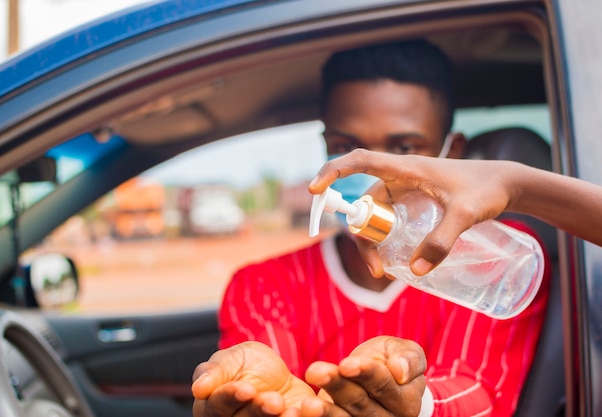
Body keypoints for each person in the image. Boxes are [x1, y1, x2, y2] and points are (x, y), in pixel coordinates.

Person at [192, 39, 551, 417]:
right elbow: (267, 385)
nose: (366, 169)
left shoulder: (493, 259)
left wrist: (419, 405)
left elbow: (479, 389)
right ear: (326, 146)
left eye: (403, 149)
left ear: (452, 153)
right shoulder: (264, 286)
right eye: (346, 145)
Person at [308, 150, 602, 275]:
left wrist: (517, 186)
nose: (379, 165)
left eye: (404, 147)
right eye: (345, 145)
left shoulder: (498, 254)